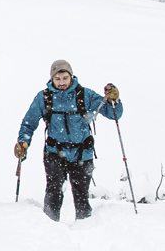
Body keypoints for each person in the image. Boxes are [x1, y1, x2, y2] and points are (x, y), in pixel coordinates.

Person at [14, 59, 122, 221]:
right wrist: (24, 142)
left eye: (65, 78)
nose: (62, 82)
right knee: (53, 192)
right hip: (54, 153)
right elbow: (29, 123)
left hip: (82, 154)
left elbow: (113, 114)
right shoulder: (44, 98)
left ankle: (86, 229)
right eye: (57, 79)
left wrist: (114, 101)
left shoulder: (85, 95)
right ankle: (49, 227)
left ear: (71, 76)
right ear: (52, 79)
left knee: (81, 196)